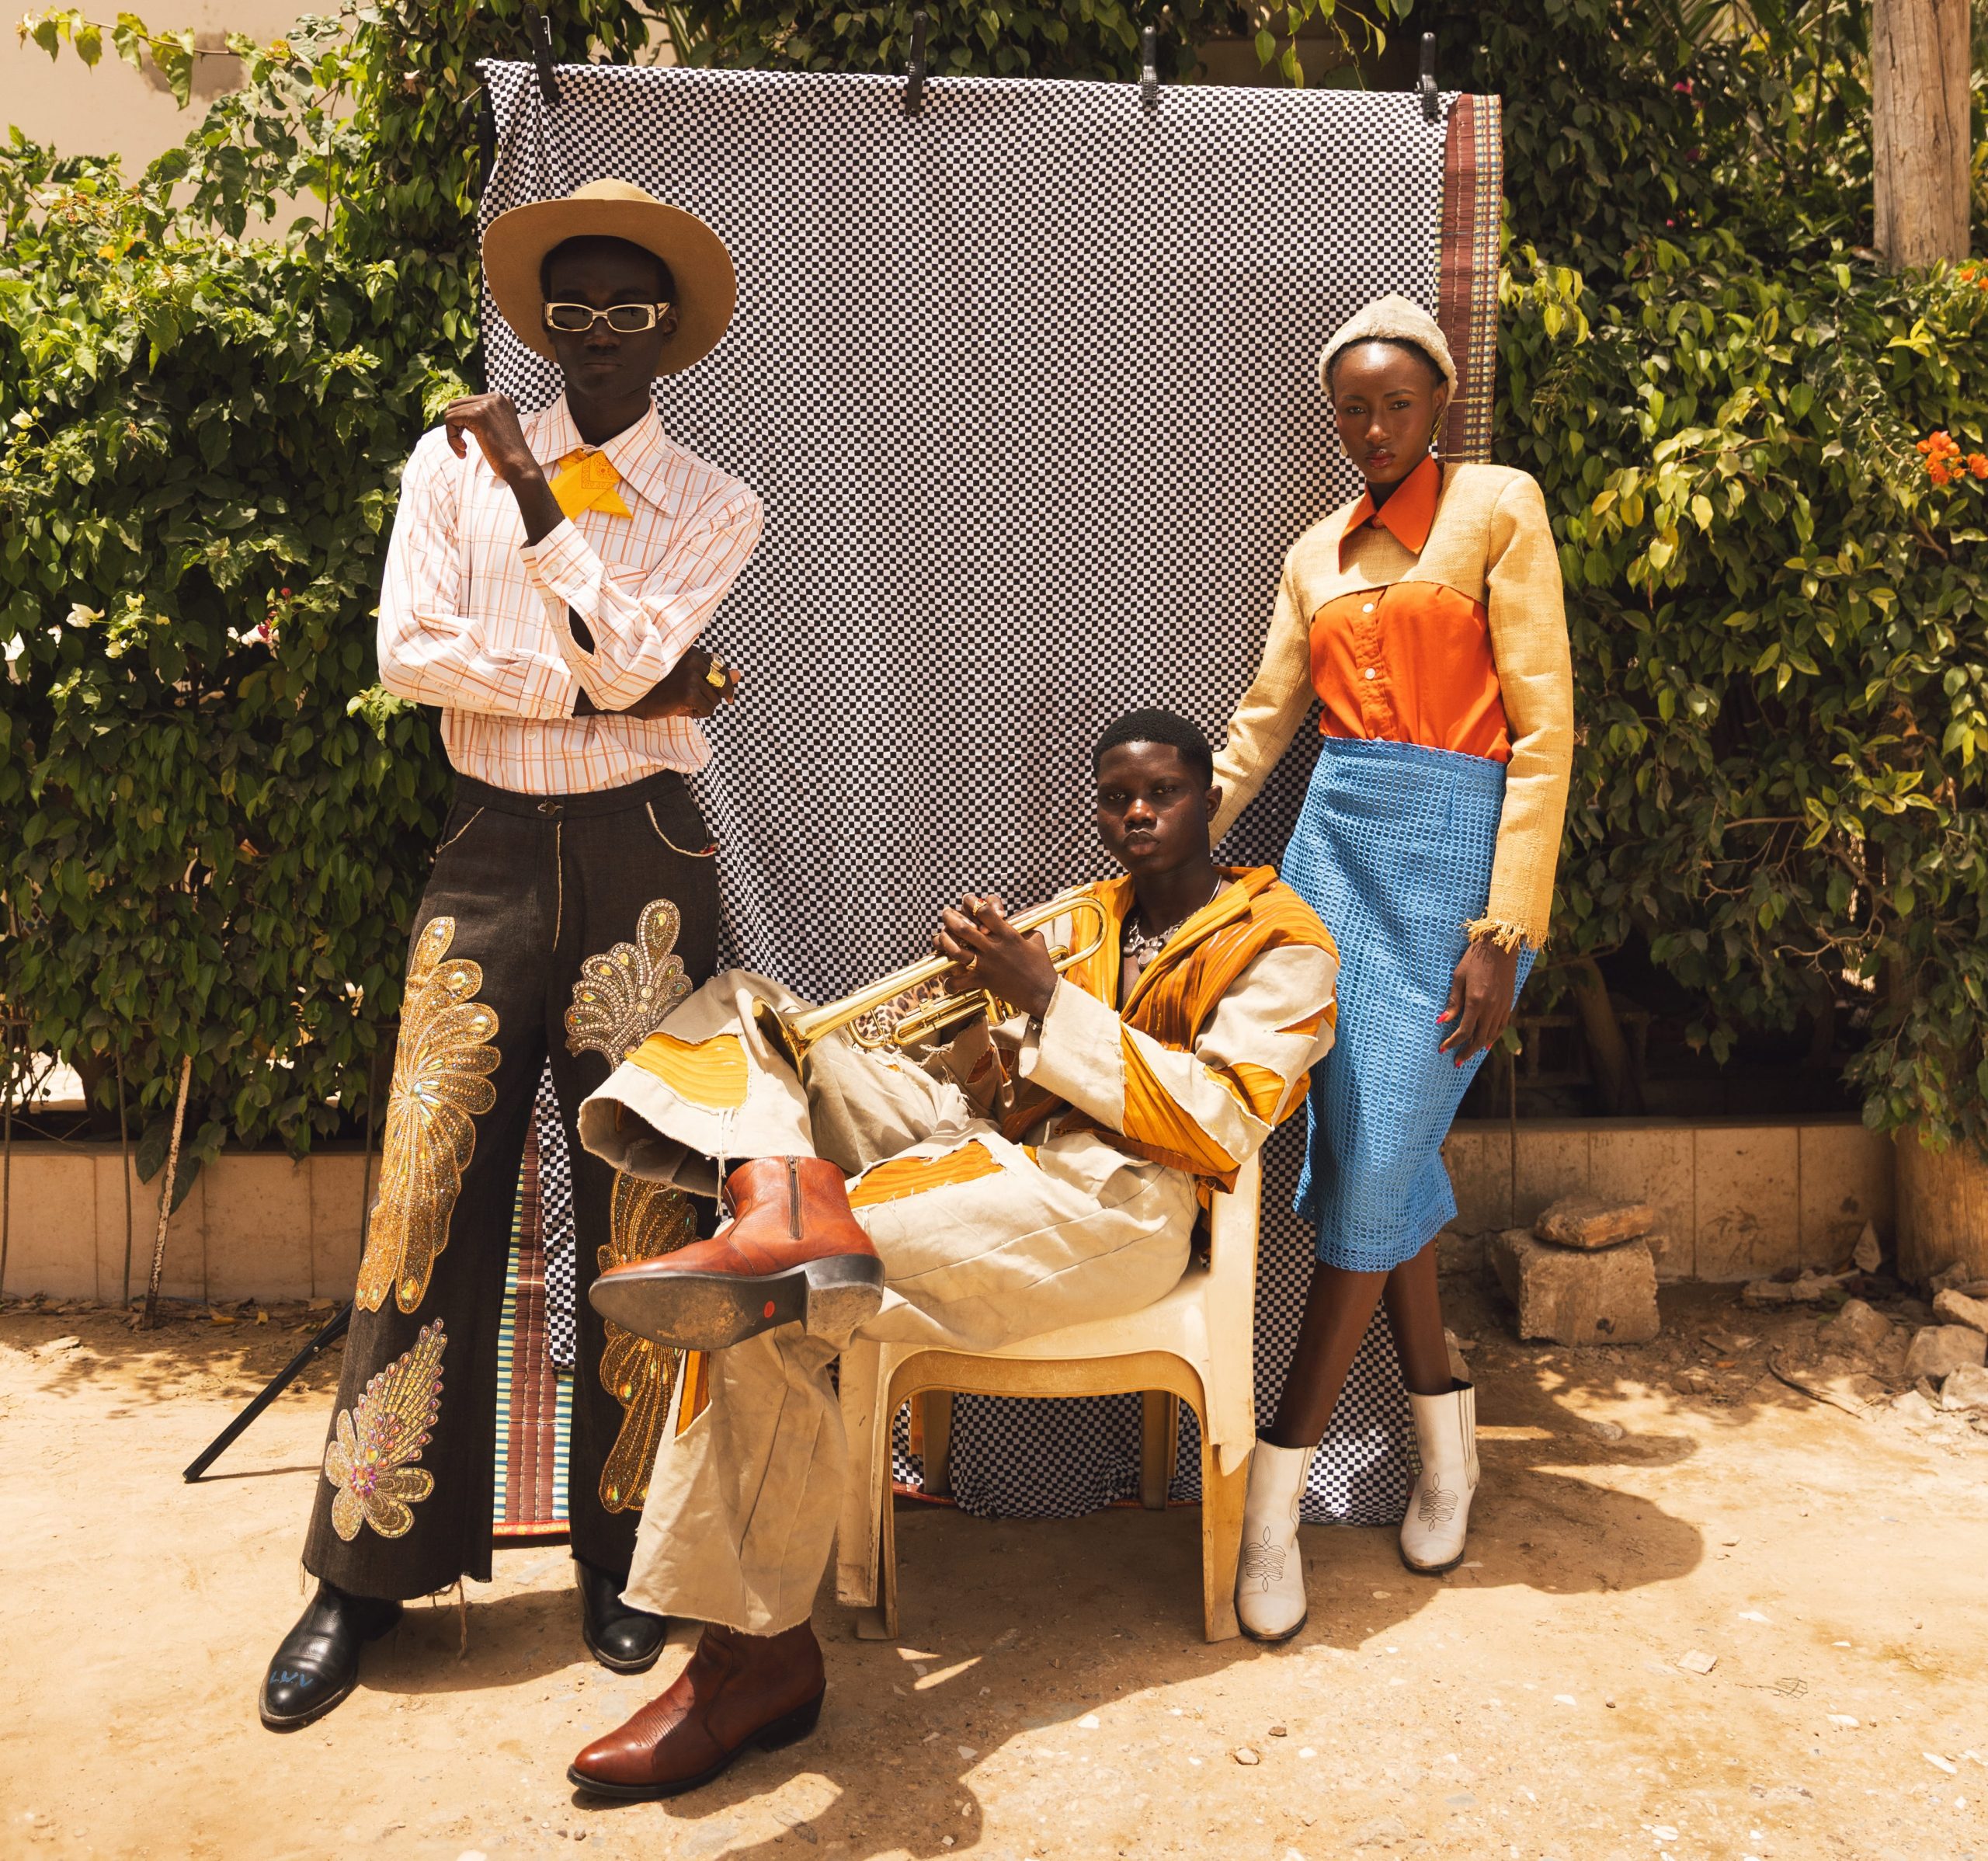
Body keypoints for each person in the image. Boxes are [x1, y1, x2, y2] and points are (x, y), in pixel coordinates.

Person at [557, 708, 1340, 1799]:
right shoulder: (1089, 914)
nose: (1138, 815)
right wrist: (971, 1013)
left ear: (1210, 799)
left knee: (771, 1297)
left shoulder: (1286, 945)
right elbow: (990, 1087)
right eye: (1117, 798)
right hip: (990, 1144)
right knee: (751, 1010)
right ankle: (784, 1199)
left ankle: (751, 1657)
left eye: (1162, 793)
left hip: (1123, 1204)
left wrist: (1043, 997)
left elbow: (1218, 1122)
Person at [259, 179, 765, 1730]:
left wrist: (548, 522)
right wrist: (604, 687)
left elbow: (636, 655)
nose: (595, 334)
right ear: (540, 321)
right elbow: (408, 653)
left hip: (645, 862)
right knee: (423, 1195)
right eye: (571, 308)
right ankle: (363, 1569)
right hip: (484, 848)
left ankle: (628, 1553)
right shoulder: (442, 462)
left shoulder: (718, 503)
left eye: (628, 311)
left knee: (644, 1206)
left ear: (670, 333)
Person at [1209, 294, 1574, 1640]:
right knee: (1371, 1153)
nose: (1372, 428)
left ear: (1439, 403)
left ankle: (1274, 1499)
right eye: (1352, 409)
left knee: (1374, 1167)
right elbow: (1264, 724)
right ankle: (1447, 1446)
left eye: (1395, 405)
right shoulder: (1314, 551)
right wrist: (1174, 839)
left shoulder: (1498, 507)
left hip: (1455, 865)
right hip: (1334, 857)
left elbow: (1545, 733)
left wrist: (1503, 931)